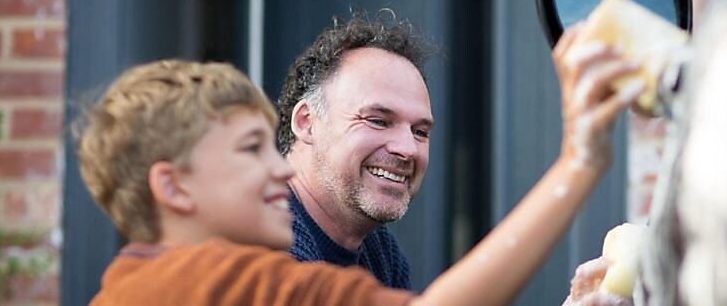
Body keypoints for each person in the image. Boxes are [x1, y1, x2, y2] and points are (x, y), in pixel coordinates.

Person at [80, 28, 642, 304]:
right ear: (173, 187)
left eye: (421, 131)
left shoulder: (373, 253)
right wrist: (580, 159)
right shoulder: (228, 276)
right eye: (251, 149)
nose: (408, 148)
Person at [273, 12, 427, 289]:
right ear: (306, 122)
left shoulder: (380, 252)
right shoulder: (266, 241)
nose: (408, 149)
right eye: (378, 121)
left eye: (420, 132)